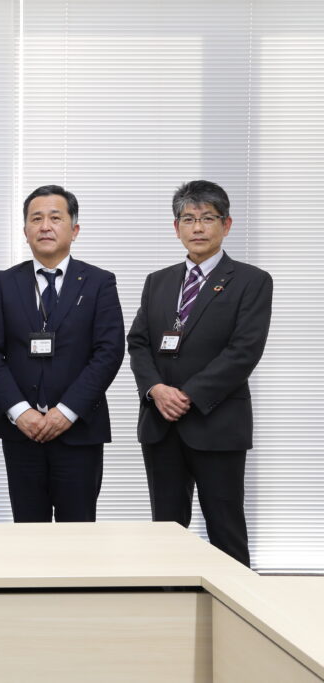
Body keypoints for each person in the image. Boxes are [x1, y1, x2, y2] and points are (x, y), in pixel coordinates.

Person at [127, 180, 271, 567]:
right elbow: (138, 342)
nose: (198, 227)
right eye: (188, 219)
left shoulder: (252, 281)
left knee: (225, 528)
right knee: (166, 531)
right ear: (176, 228)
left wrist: (188, 394)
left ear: (227, 224)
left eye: (208, 218)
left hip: (217, 423)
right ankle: (168, 597)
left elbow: (244, 350)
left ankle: (236, 603)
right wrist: (156, 389)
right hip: (161, 424)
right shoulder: (158, 281)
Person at [0, 185, 124, 523]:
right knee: (28, 529)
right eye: (36, 219)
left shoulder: (99, 282)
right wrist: (20, 412)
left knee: (78, 530)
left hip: (79, 431)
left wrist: (66, 412)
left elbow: (108, 352)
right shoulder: (4, 283)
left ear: (74, 229)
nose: (45, 226)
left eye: (55, 218)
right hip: (22, 432)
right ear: (25, 230)